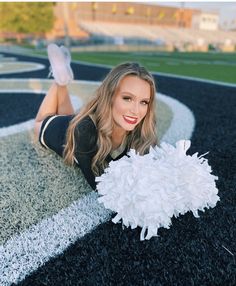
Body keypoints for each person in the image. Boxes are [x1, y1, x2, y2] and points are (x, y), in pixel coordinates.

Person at [34, 44, 157, 190]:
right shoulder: (84, 132)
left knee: (70, 116)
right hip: (57, 130)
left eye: (143, 102)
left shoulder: (143, 128)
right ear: (109, 96)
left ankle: (62, 79)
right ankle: (59, 80)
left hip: (75, 122)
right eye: (127, 98)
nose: (136, 111)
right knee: (40, 121)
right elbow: (102, 186)